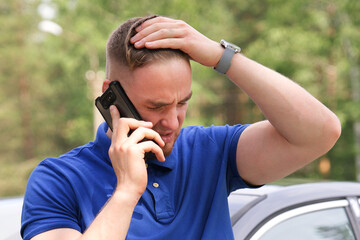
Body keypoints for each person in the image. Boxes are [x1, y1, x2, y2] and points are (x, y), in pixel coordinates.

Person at [21, 15, 341, 240]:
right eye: (157, 106)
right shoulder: (57, 180)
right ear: (110, 93)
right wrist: (126, 192)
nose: (173, 122)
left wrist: (221, 57)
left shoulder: (209, 151)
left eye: (182, 102)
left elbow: (320, 131)